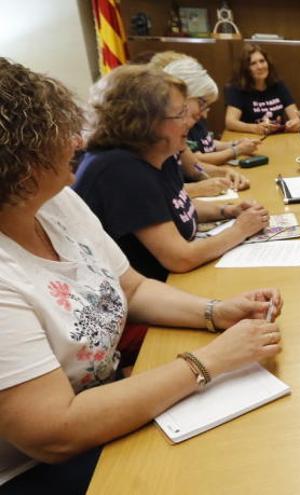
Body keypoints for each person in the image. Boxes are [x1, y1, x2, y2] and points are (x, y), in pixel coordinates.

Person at [0, 57, 283, 493]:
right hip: (41, 469)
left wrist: (216, 311)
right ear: (18, 161)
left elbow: (130, 286)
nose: (77, 142)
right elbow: (54, 432)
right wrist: (210, 360)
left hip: (107, 403)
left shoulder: (57, 202)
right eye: (59, 135)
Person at [75, 64, 270, 282]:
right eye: (180, 114)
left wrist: (227, 211)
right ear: (146, 122)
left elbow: (174, 206)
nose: (190, 121)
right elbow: (180, 259)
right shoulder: (120, 169)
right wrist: (240, 230)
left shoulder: (160, 151)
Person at [145, 52, 252, 197]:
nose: (204, 114)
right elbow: (150, 195)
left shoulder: (177, 129)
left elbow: (195, 167)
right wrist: (197, 189)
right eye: (202, 104)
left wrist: (226, 172)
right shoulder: (148, 137)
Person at [161, 57, 261, 165]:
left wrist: (235, 144)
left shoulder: (193, 121)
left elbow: (207, 144)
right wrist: (237, 151)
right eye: (202, 103)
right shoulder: (177, 128)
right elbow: (197, 162)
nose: (204, 112)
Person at [224, 44, 300, 135]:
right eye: (253, 64)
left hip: (279, 138)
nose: (260, 67)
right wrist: (255, 128)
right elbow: (230, 122)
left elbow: (295, 117)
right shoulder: (237, 89)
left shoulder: (278, 85)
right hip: (251, 139)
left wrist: (296, 123)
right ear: (245, 69)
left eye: (262, 61)